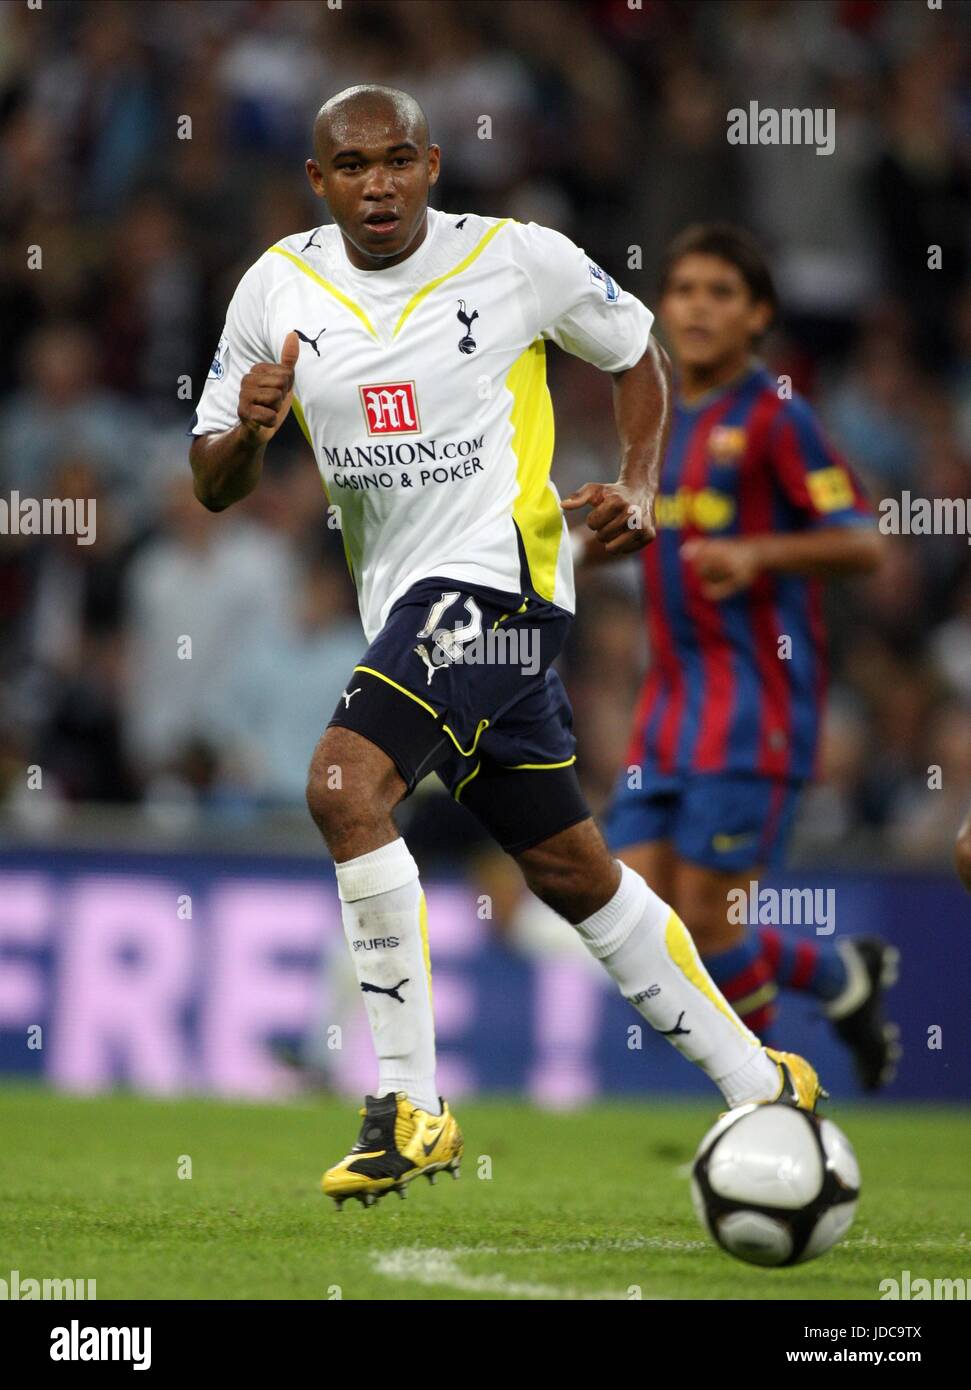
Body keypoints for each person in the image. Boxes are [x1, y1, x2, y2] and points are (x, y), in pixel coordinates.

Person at [189, 87, 824, 1211]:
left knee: (343, 784)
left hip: (505, 584)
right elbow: (213, 482)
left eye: (397, 161)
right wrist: (250, 424)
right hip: (405, 608)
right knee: (569, 869)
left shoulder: (518, 259)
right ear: (317, 180)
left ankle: (409, 1104)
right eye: (352, 167)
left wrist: (636, 479)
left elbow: (635, 353)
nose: (377, 184)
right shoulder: (274, 288)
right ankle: (758, 1081)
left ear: (431, 164)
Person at [589, 224, 899, 1090]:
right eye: (683, 288)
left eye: (720, 292)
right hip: (667, 708)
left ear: (757, 314)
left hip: (753, 706)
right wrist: (587, 530)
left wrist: (759, 554)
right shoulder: (652, 417)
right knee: (644, 921)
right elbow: (650, 534)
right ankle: (843, 978)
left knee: (710, 926)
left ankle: (765, 1109)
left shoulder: (776, 417)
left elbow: (863, 544)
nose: (695, 306)